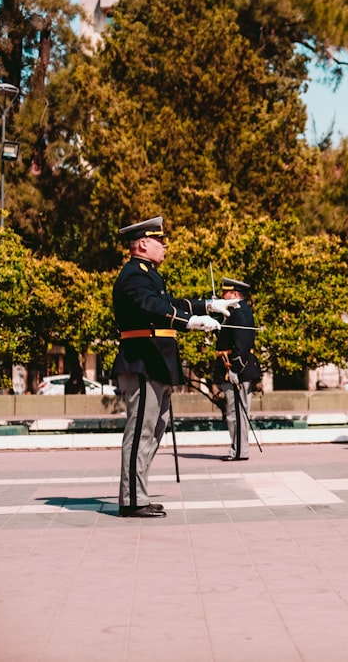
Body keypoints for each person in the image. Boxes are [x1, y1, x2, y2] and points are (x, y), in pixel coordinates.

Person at [112, 216, 237, 518]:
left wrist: (207, 305)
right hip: (142, 360)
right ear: (142, 244)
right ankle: (131, 499)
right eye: (159, 240)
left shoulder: (149, 275)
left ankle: (137, 493)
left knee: (154, 430)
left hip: (156, 362)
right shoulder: (133, 275)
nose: (165, 245)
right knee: (141, 430)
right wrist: (190, 322)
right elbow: (152, 306)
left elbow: (170, 301)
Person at [211, 277, 262, 461]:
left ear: (234, 294)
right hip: (232, 367)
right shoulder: (233, 312)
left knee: (237, 413)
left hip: (237, 369)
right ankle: (238, 449)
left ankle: (239, 451)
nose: (223, 295)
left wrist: (235, 369)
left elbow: (243, 342)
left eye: (226, 292)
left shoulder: (240, 312)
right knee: (234, 412)